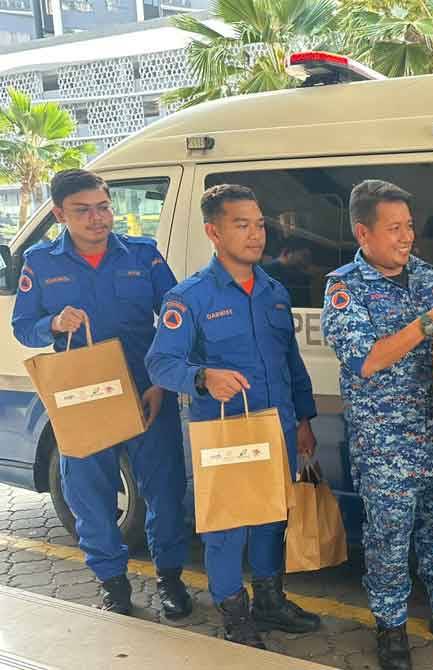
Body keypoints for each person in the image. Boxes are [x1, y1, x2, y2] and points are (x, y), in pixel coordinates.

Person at [321, 179, 433, 670]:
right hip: (387, 444)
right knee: (389, 538)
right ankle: (391, 624)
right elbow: (367, 360)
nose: (406, 237)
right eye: (393, 228)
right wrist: (427, 324)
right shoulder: (343, 288)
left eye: (410, 226)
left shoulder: (425, 275)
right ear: (363, 232)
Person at [144, 184, 322, 649]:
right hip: (224, 433)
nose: (255, 234)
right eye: (241, 225)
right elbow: (161, 363)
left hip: (277, 427)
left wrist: (303, 419)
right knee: (226, 525)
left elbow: (291, 363)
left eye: (259, 224)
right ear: (213, 232)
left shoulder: (274, 292)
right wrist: (203, 378)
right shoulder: (190, 298)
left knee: (272, 517)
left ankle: (269, 600)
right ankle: (234, 612)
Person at [11, 169, 191, 619]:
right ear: (59, 214)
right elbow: (23, 327)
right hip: (82, 396)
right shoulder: (42, 261)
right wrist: (52, 324)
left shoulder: (143, 254)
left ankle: (170, 579)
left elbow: (175, 322)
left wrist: (159, 385)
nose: (97, 219)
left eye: (103, 207)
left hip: (145, 391)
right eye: (83, 210)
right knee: (89, 494)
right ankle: (113, 584)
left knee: (165, 490)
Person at [261, 237, 313, 306]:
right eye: (304, 256)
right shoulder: (264, 272)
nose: (305, 261)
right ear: (287, 253)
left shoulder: (301, 277)